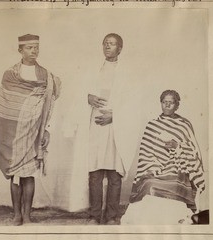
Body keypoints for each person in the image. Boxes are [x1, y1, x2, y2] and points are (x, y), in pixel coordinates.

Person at [63, 33, 143, 225]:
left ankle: (112, 216)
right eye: (105, 43)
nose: (108, 46)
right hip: (95, 125)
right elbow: (80, 93)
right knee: (95, 173)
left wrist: (115, 116)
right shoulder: (93, 69)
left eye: (112, 44)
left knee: (114, 174)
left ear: (120, 48)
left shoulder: (129, 73)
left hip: (116, 128)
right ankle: (94, 215)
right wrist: (88, 98)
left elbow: (135, 103)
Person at [0, 34, 61, 225]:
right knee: (16, 174)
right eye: (30, 48)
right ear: (20, 50)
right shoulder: (10, 75)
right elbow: (6, 106)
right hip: (13, 133)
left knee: (29, 174)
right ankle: (16, 215)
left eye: (36, 47)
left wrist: (46, 130)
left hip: (34, 132)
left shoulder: (46, 75)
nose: (34, 51)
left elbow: (49, 106)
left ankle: (27, 215)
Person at [121, 90, 205, 225]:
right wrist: (153, 168)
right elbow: (146, 153)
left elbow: (194, 151)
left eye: (171, 103)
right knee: (150, 184)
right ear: (160, 104)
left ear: (177, 105)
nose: (167, 105)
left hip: (178, 166)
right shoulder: (152, 125)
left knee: (174, 184)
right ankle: (149, 223)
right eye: (164, 102)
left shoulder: (184, 125)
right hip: (154, 167)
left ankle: (171, 221)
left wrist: (177, 146)